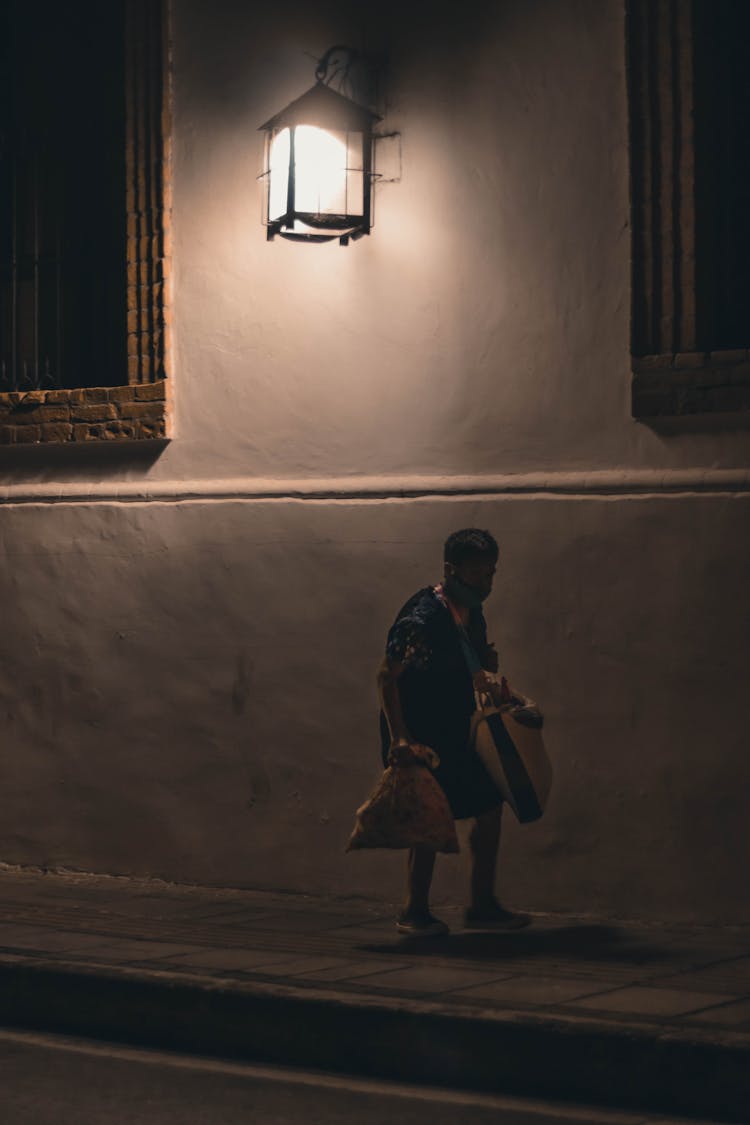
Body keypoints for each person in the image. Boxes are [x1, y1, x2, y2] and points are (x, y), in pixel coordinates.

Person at [377, 528, 531, 937]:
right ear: (451, 569)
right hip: (421, 728)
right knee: (431, 816)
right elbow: (386, 677)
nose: (488, 584)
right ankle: (413, 910)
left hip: (457, 724)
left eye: (491, 574)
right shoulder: (422, 618)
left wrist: (500, 686)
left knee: (488, 804)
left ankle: (481, 905)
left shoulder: (471, 611)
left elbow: (471, 667)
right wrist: (399, 739)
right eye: (479, 575)